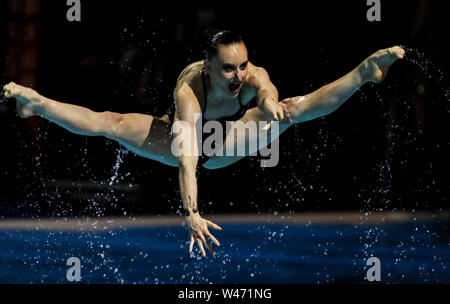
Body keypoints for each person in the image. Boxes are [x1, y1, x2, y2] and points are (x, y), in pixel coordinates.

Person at [2, 30, 405, 257]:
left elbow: (267, 94)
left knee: (293, 107)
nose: (238, 74)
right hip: (188, 145)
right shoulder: (189, 94)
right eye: (228, 67)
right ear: (209, 65)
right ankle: (37, 104)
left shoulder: (252, 77)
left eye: (243, 64)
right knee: (111, 121)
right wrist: (192, 212)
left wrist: (271, 109)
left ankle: (364, 72)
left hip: (232, 138)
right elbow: (189, 159)